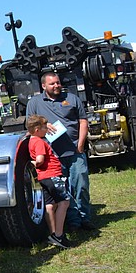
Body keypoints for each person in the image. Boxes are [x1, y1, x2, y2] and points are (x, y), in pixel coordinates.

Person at [26, 72, 94, 231]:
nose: (56, 85)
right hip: (52, 156)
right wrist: (44, 125)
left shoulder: (72, 98)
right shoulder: (34, 103)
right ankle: (73, 222)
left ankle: (85, 218)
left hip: (74, 151)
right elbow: (30, 127)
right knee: (63, 190)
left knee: (81, 186)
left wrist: (80, 144)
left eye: (58, 82)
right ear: (44, 86)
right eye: (52, 84)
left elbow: (83, 121)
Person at [26, 115, 70, 248]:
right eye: (45, 127)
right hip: (52, 175)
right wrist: (31, 164)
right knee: (64, 202)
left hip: (42, 177)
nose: (47, 129)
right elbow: (40, 160)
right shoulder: (39, 142)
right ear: (37, 130)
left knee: (50, 205)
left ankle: (52, 233)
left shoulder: (31, 141)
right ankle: (59, 235)